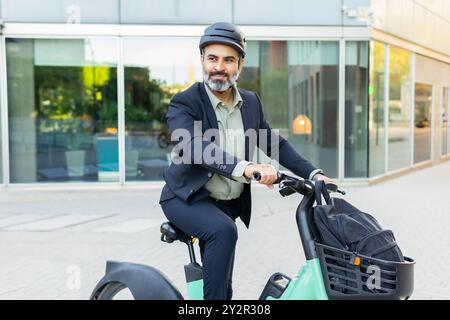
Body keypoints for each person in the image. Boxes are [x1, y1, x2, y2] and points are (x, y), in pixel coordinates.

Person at [159, 22, 334, 300]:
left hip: (226, 205)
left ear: (240, 64)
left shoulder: (250, 102)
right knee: (223, 233)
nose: (219, 67)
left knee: (223, 285)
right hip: (186, 199)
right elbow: (195, 147)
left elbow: (274, 143)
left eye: (228, 60)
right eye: (212, 58)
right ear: (202, 60)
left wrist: (314, 173)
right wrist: (248, 168)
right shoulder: (185, 102)